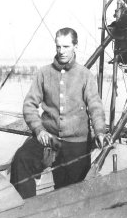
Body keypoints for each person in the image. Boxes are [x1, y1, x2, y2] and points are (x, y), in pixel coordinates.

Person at [10, 27, 108, 199]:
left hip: (76, 143)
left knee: (72, 191)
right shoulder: (43, 73)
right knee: (21, 159)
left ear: (75, 47)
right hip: (48, 138)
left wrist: (100, 132)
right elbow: (29, 105)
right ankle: (27, 210)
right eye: (58, 47)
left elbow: (95, 107)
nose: (61, 51)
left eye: (66, 47)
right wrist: (39, 130)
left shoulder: (85, 75)